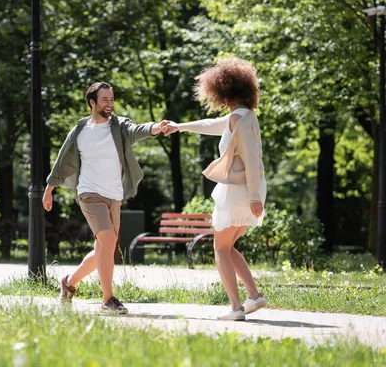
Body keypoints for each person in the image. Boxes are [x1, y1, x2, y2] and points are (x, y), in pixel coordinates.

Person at [43, 82, 168, 314]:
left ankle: (69, 282)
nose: (109, 104)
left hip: (114, 195)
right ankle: (108, 299)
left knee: (105, 247)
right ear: (92, 102)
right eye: (105, 100)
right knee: (108, 239)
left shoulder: (118, 126)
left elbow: (137, 130)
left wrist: (156, 127)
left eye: (112, 99)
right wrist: (49, 188)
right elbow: (63, 159)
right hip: (89, 193)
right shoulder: (80, 130)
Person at [162, 58, 267, 321]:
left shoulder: (239, 120)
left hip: (238, 191)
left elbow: (252, 159)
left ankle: (235, 308)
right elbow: (213, 126)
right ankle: (253, 296)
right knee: (228, 246)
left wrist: (254, 197)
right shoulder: (242, 116)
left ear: (223, 91)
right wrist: (180, 127)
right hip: (245, 190)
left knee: (220, 249)